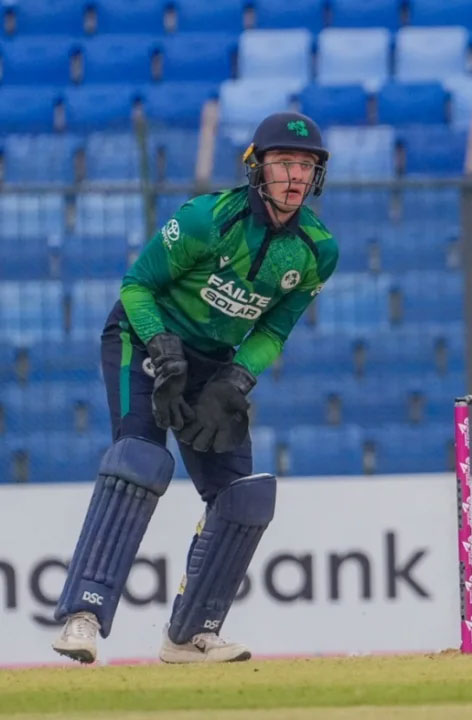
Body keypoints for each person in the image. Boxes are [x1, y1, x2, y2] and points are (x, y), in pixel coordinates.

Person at [50, 112, 339, 664]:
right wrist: (161, 347)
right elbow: (137, 285)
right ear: (257, 168)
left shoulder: (317, 249)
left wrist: (236, 378)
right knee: (139, 459)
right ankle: (82, 615)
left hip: (213, 361)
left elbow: (273, 330)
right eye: (283, 163)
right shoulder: (208, 220)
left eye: (306, 166)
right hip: (142, 337)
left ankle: (189, 634)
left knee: (243, 496)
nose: (295, 176)